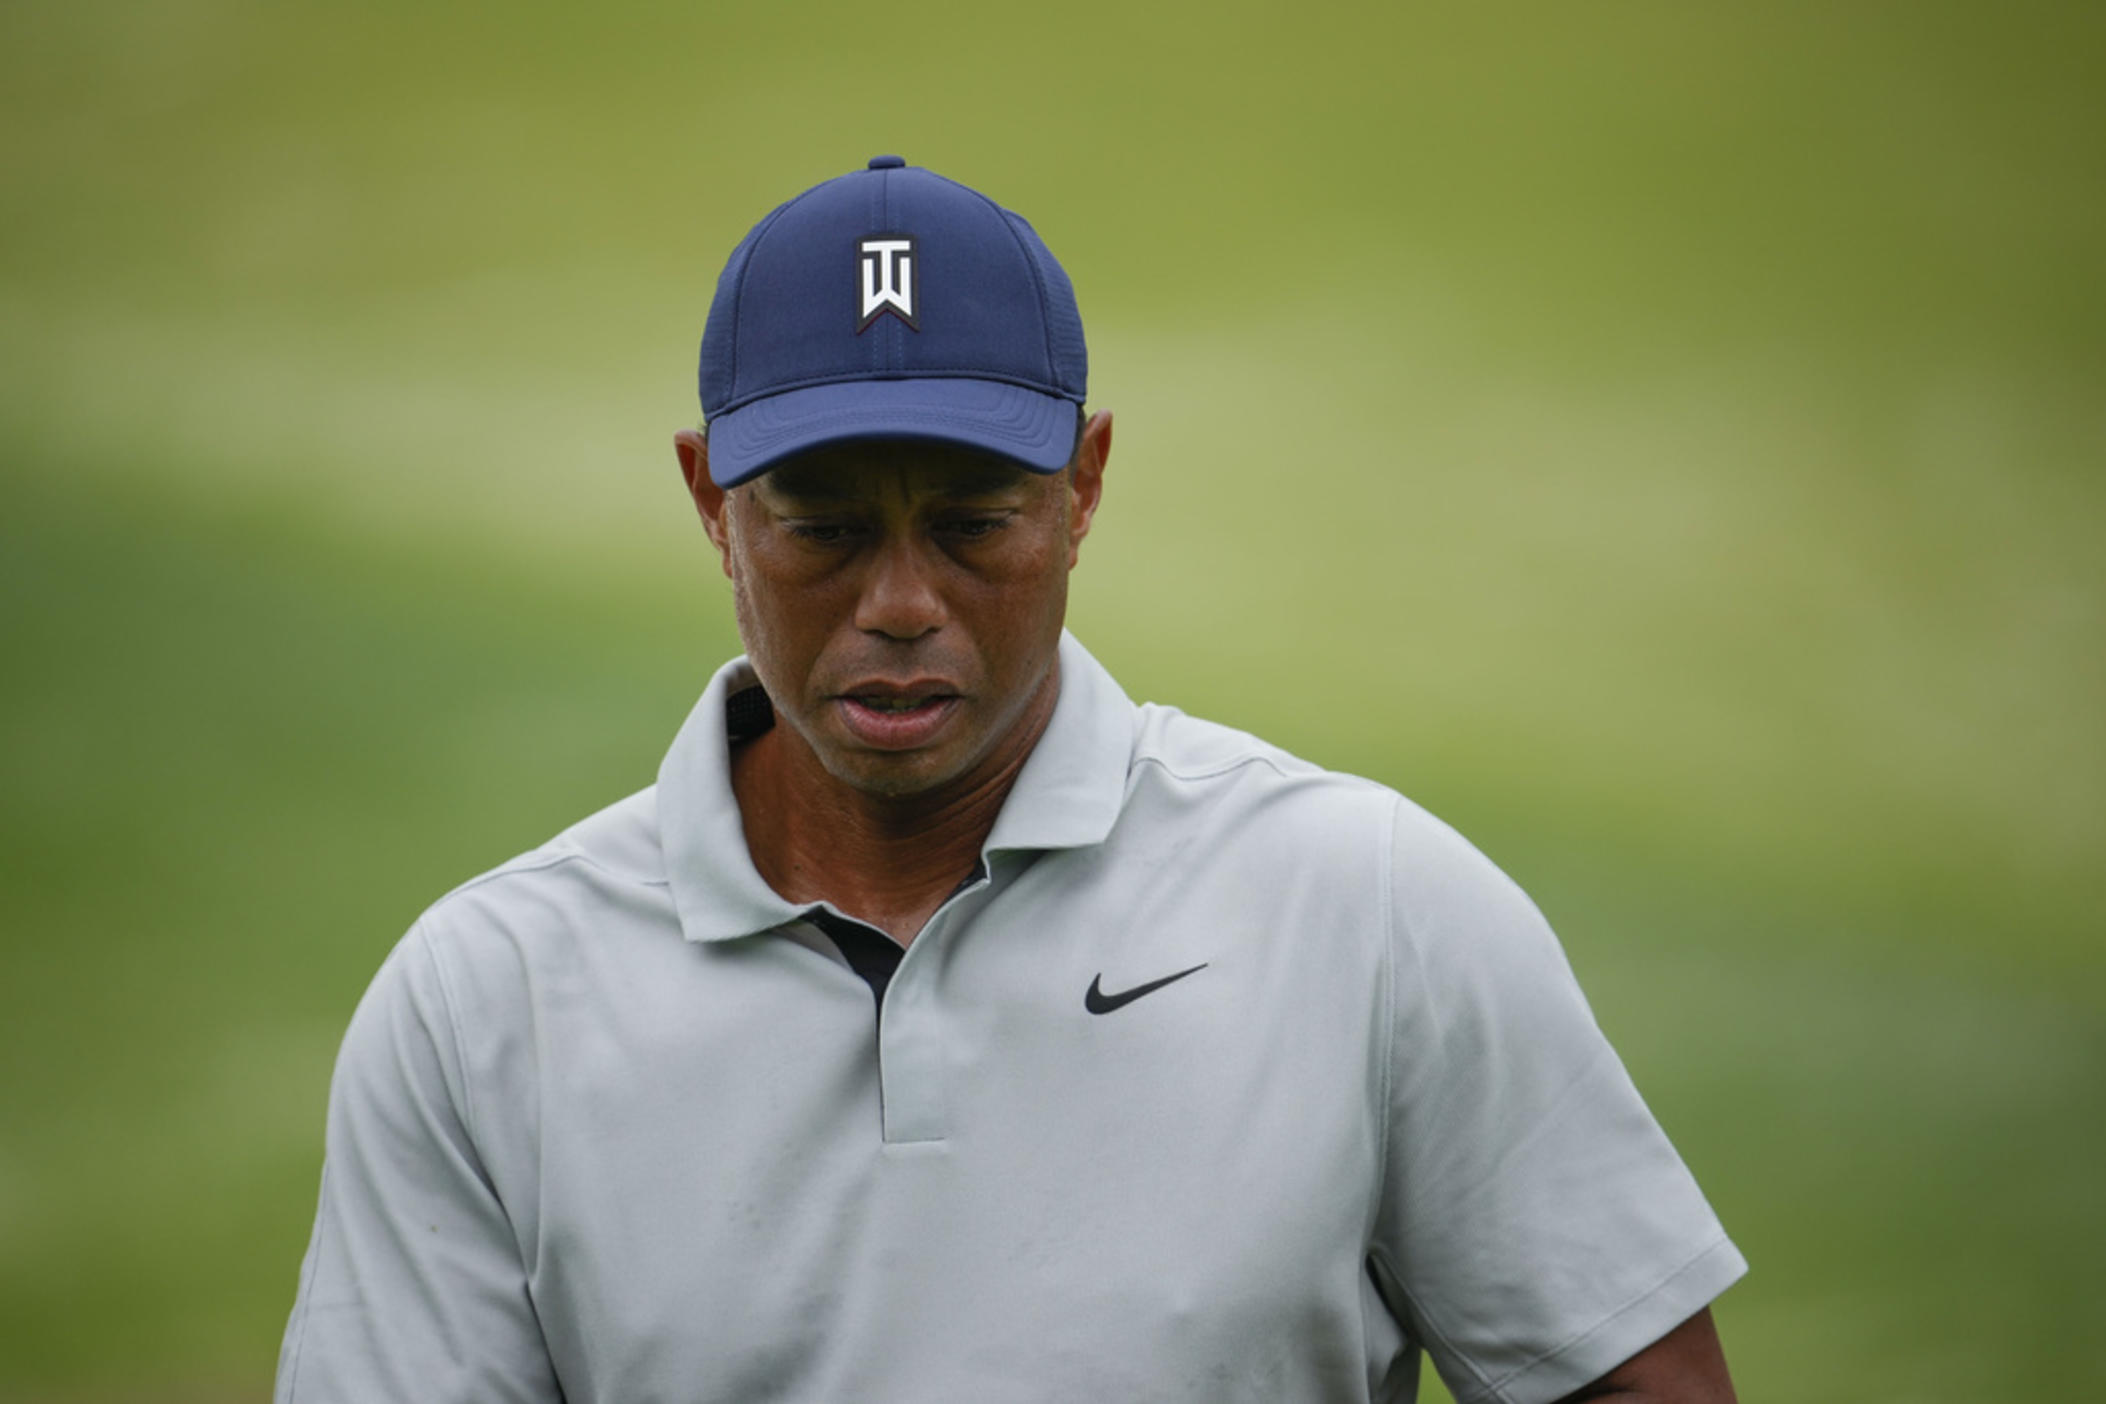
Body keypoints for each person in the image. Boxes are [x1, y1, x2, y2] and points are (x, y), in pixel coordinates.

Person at [275, 156, 1745, 1403]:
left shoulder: (1366, 908)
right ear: (710, 503)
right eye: (824, 529)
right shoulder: (486, 1001)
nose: (903, 602)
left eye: (974, 524)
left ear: (1084, 487)